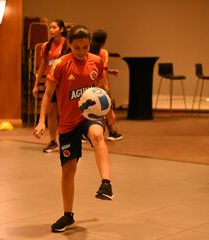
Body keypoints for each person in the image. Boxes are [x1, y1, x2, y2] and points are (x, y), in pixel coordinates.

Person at [34, 25, 113, 232]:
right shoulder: (60, 65)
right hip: (68, 122)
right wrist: (42, 120)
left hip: (90, 116)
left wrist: (110, 114)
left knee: (97, 136)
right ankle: (68, 215)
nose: (81, 52)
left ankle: (106, 183)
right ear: (70, 45)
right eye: (77, 47)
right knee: (68, 170)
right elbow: (48, 94)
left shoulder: (96, 61)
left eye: (85, 47)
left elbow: (102, 89)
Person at [32, 19, 68, 153]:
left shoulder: (68, 45)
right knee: (51, 112)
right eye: (50, 28)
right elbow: (42, 66)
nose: (51, 30)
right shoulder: (46, 46)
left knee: (64, 112)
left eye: (54, 27)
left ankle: (67, 139)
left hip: (64, 83)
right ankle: (53, 141)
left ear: (61, 29)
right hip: (51, 82)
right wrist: (36, 84)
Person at [90, 29, 123, 141]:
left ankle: (85, 133)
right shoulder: (103, 52)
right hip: (101, 83)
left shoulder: (88, 51)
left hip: (89, 81)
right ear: (103, 41)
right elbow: (102, 69)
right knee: (107, 108)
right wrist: (104, 86)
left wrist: (111, 71)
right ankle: (113, 132)